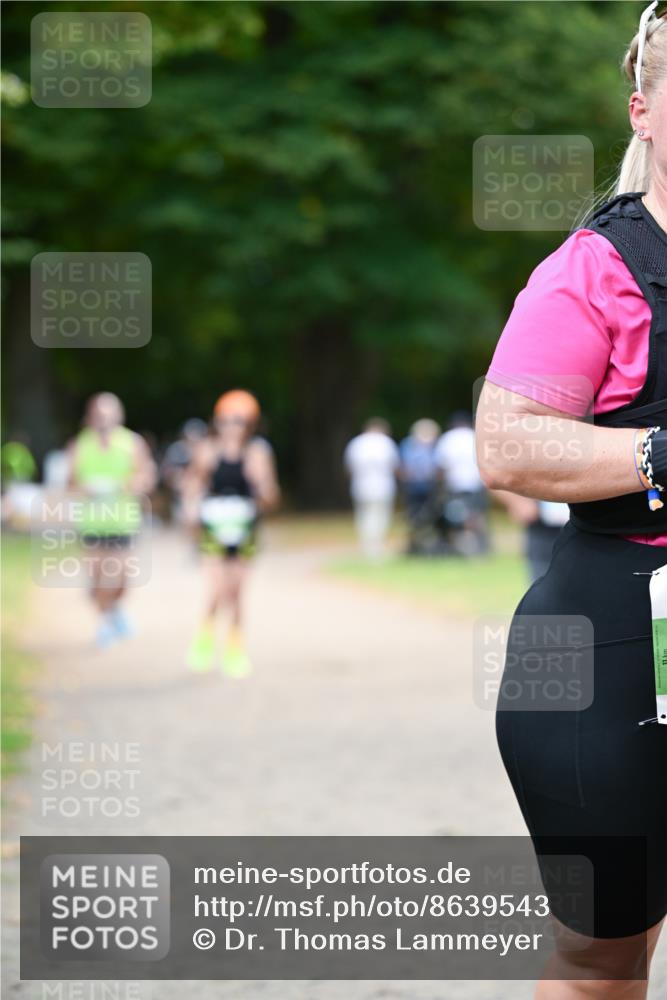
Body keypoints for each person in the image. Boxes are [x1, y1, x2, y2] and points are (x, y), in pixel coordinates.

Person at [476, 6, 666, 996]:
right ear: (644, 111)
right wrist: (660, 453)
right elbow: (505, 446)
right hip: (612, 640)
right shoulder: (591, 272)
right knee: (604, 956)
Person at [183, 390, 279, 677]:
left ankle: (235, 649)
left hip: (245, 529)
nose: (232, 426)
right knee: (217, 589)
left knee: (237, 592)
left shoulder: (258, 453)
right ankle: (204, 638)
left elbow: (271, 498)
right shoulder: (207, 451)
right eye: (227, 420)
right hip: (214, 528)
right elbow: (192, 487)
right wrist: (191, 511)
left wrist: (260, 485)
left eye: (239, 421)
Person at [67, 392, 156, 648]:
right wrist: (86, 488)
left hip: (123, 521)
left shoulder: (132, 443)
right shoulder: (79, 445)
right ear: (90, 417)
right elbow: (70, 483)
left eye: (109, 413)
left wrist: (131, 485)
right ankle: (105, 622)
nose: (104, 419)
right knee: (97, 579)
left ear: (119, 416)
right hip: (93, 522)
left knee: (122, 579)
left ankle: (113, 610)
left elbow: (147, 475)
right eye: (99, 413)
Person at [344, 418, 400, 560]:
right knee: (380, 516)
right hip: (383, 486)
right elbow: (395, 466)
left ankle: (366, 545)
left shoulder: (356, 443)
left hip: (361, 485)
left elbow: (349, 468)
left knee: (363, 516)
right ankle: (377, 545)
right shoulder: (386, 443)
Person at [436, 412, 488, 554]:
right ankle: (480, 546)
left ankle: (458, 546)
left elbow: (441, 466)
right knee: (476, 516)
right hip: (477, 483)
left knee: (454, 516)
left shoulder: (448, 439)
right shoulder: (476, 436)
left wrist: (439, 486)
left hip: (455, 485)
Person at [398, 419, 441, 554]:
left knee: (430, 516)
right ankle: (415, 545)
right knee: (413, 518)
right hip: (413, 486)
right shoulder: (408, 445)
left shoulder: (435, 446)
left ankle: (429, 544)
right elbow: (403, 466)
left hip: (429, 486)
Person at [160, 418, 208, 526]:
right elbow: (168, 474)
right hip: (179, 496)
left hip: (202, 496)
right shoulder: (176, 450)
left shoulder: (208, 451)